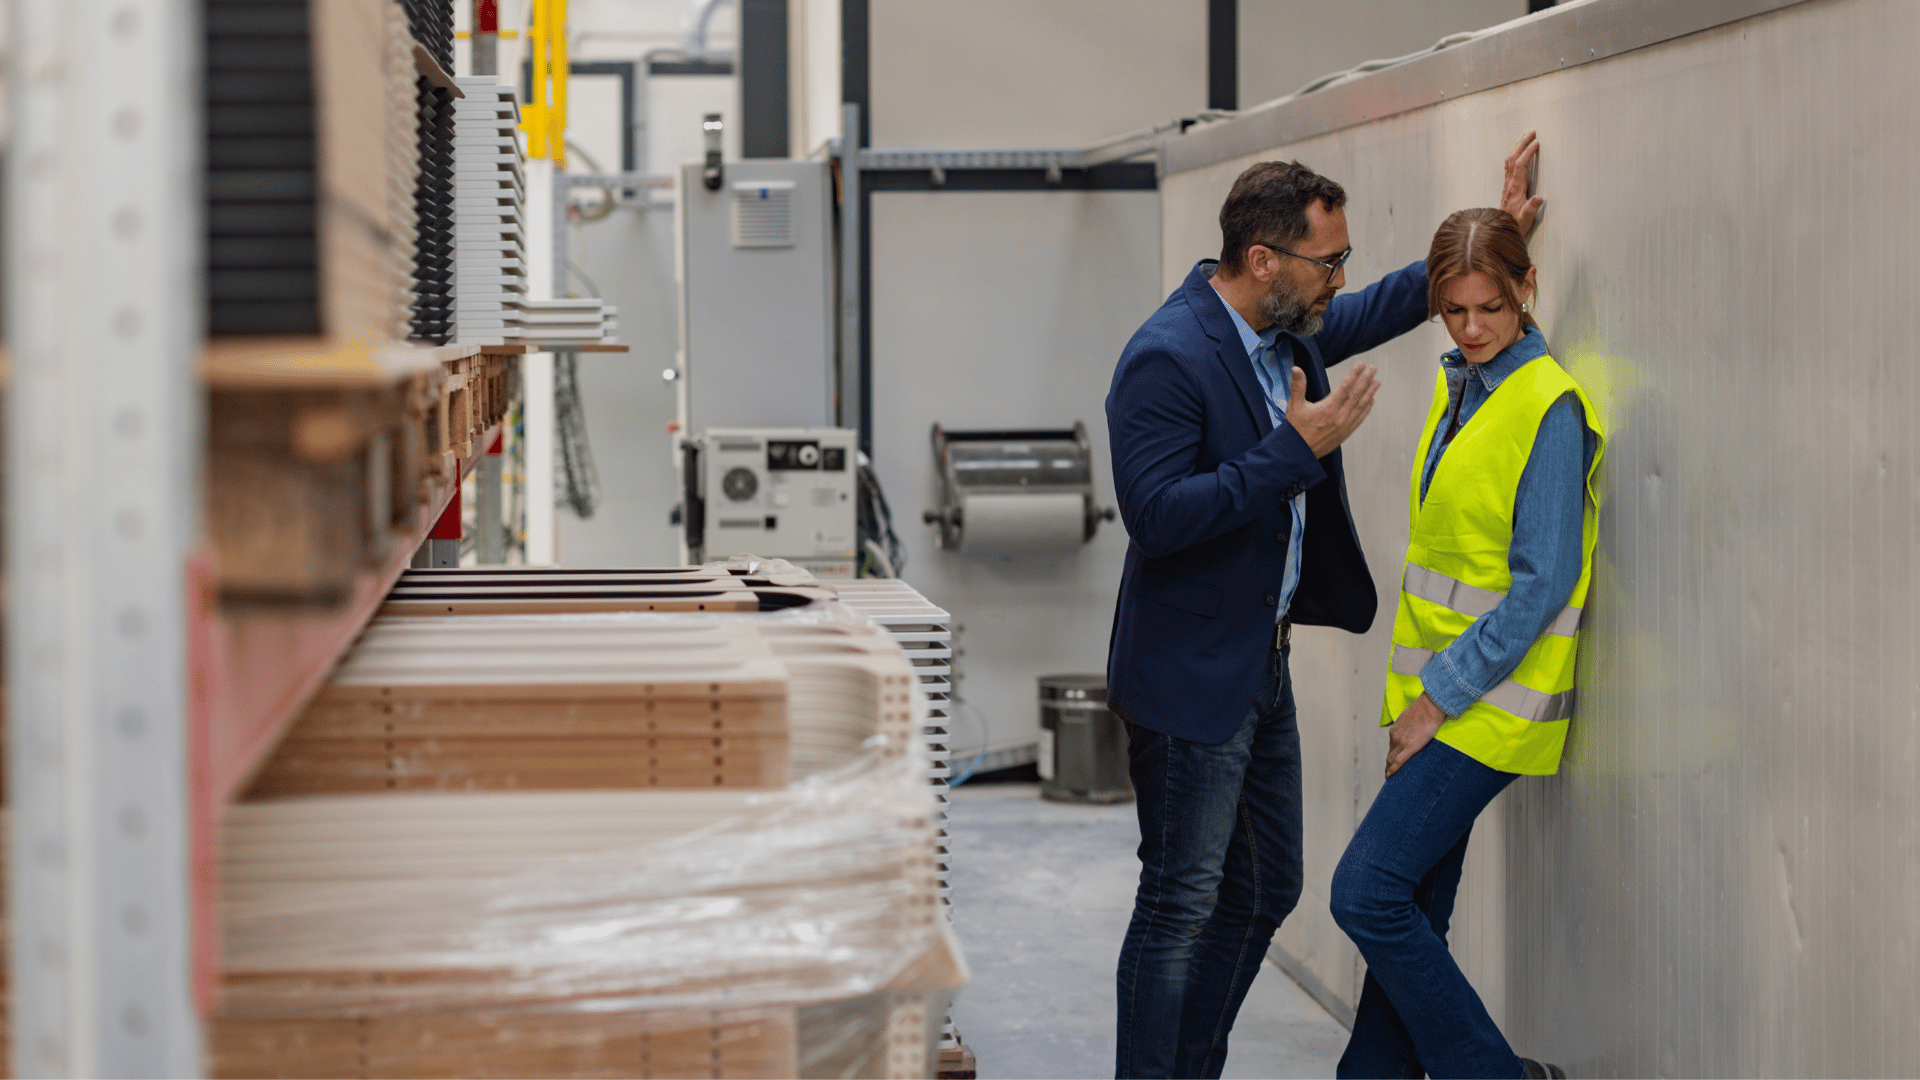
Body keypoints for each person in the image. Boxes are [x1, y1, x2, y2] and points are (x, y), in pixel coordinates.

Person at [1104, 135, 1545, 1079]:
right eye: (1327, 261)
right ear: (1264, 261)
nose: (1339, 280)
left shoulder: (1282, 332)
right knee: (1180, 904)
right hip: (1190, 679)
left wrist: (1494, 228)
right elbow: (1155, 516)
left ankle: (1191, 1065)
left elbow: (1391, 300)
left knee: (1266, 885)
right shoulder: (1167, 357)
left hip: (1259, 664)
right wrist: (1290, 453)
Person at [1329, 206, 1602, 1080]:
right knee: (1413, 903)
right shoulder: (1470, 387)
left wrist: (1436, 698)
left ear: (1527, 290)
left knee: (1365, 892)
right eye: (1455, 311)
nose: (1473, 328)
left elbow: (1542, 583)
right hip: (1442, 699)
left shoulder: (1548, 407)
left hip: (1484, 706)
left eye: (1491, 307)